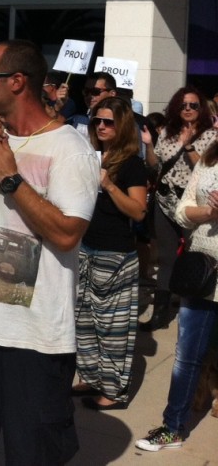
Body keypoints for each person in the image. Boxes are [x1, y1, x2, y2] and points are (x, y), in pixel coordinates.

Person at [0, 40, 98, 466]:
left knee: (30, 455)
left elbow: (67, 233)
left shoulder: (69, 148)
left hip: (34, 341)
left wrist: (11, 180)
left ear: (17, 82)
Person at [135, 143, 218, 451]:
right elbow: (182, 213)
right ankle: (173, 427)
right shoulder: (209, 159)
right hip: (202, 275)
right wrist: (209, 211)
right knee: (186, 356)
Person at [73, 97, 148, 411]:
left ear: (122, 125)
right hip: (85, 248)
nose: (101, 127)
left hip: (115, 254)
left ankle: (114, 391)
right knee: (84, 321)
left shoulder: (132, 163)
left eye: (108, 122)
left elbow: (139, 211)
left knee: (112, 326)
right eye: (97, 121)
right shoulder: (91, 155)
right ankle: (91, 377)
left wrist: (109, 185)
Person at [141, 86, 217, 332]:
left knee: (192, 258)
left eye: (193, 105)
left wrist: (188, 147)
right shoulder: (168, 132)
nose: (188, 109)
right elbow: (156, 164)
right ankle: (160, 313)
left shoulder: (210, 136)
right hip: (165, 201)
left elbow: (204, 169)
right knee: (166, 257)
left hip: (192, 206)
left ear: (201, 108)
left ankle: (190, 307)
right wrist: (150, 145)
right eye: (183, 105)